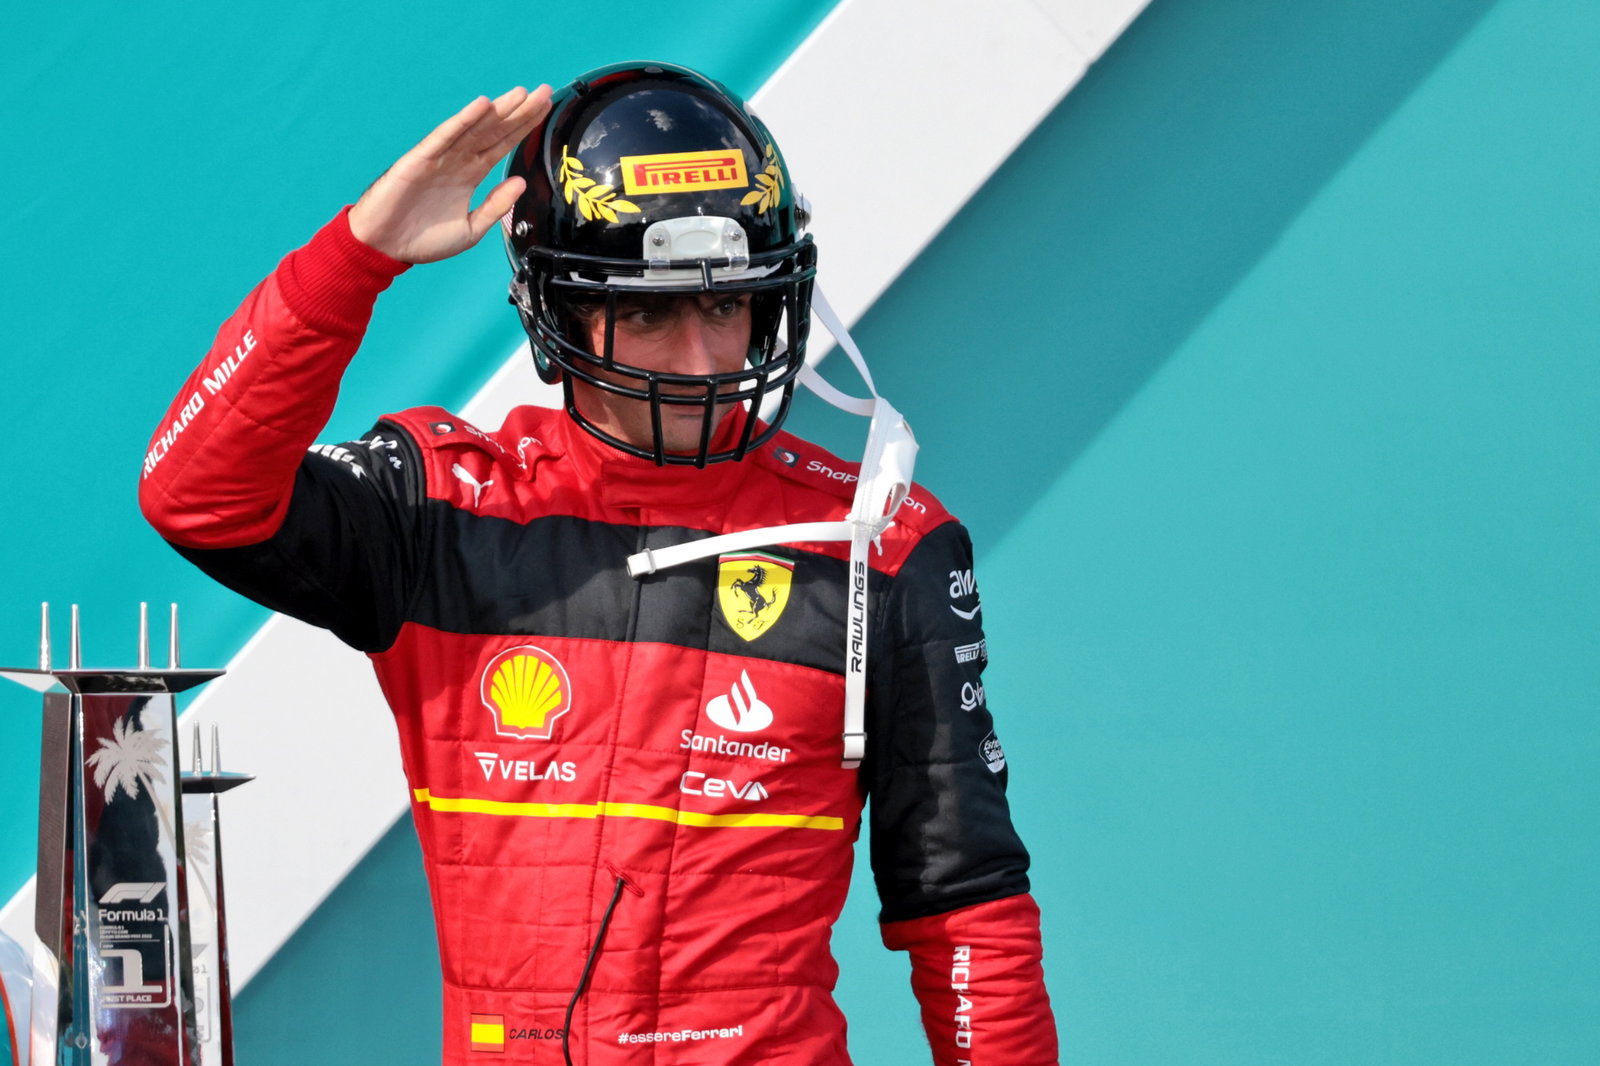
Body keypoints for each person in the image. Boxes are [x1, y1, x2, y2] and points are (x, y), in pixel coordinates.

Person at [139, 63, 1057, 1065]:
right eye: (654, 313)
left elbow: (966, 908)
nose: (704, 358)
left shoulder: (883, 542)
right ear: (557, 314)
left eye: (730, 306)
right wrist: (354, 257)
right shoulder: (441, 508)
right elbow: (194, 490)